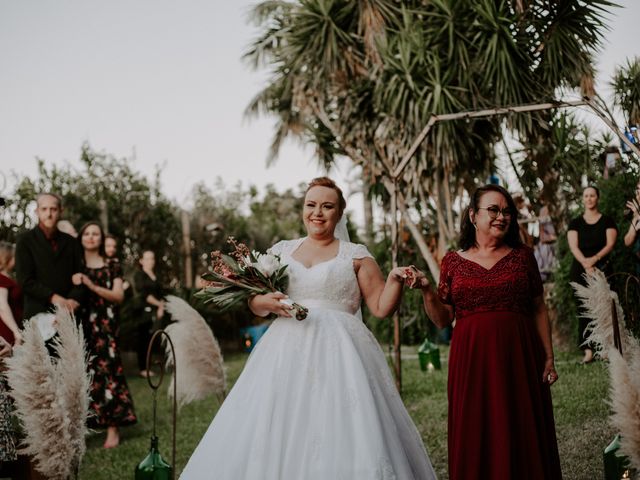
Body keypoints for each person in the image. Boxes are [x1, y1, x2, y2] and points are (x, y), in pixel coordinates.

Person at [180, 177, 436, 479]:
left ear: (339, 213)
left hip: (343, 355)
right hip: (285, 348)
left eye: (327, 206)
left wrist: (394, 279)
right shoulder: (281, 251)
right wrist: (269, 303)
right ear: (303, 209)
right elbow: (255, 304)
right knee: (279, 424)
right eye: (311, 205)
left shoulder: (356, 254)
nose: (318, 212)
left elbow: (380, 308)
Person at [415, 184, 561, 480]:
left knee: (522, 425)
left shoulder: (523, 257)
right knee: (477, 427)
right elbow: (444, 319)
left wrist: (548, 357)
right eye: (493, 209)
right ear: (473, 215)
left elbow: (538, 308)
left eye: (507, 211)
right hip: (472, 362)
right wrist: (428, 291)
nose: (501, 216)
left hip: (519, 357)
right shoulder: (452, 262)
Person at [75, 222, 137, 448]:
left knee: (110, 373)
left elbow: (119, 296)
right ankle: (84, 427)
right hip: (80, 324)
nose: (91, 237)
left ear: (101, 239)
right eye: (87, 233)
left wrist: (92, 286)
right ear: (80, 237)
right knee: (83, 375)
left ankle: (113, 428)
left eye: (96, 234)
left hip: (105, 326)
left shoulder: (112, 265)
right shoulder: (75, 264)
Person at [567, 186, 617, 364]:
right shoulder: (575, 223)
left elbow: (610, 244)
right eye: (586, 195)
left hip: (602, 266)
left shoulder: (607, 221)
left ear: (598, 198)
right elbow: (574, 246)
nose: (589, 199)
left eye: (592, 195)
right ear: (583, 199)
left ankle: (606, 349)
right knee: (584, 309)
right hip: (580, 269)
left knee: (604, 308)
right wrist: (586, 263)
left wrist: (594, 260)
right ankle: (587, 350)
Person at [15, 193, 85, 319]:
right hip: (37, 314)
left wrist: (72, 301)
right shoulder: (25, 241)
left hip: (69, 314)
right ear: (37, 211)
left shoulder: (72, 242)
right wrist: (54, 298)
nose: (49, 214)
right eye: (44, 209)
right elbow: (24, 280)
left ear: (61, 211)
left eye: (53, 209)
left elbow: (80, 276)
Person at [132, 250, 165, 378]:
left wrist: (160, 308)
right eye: (147, 258)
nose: (151, 261)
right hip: (143, 312)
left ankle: (150, 366)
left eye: (152, 258)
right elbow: (145, 295)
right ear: (141, 261)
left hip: (156, 310)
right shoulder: (139, 275)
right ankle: (143, 369)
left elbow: (160, 293)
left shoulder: (155, 275)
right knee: (143, 340)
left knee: (152, 338)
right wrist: (159, 305)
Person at [0, 242, 23, 346]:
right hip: (7, 330)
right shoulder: (1, 279)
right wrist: (16, 331)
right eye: (14, 256)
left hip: (11, 328)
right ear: (6, 257)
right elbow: (2, 306)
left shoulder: (8, 277)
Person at [623, 179, 640, 275]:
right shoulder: (637, 213)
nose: (638, 192)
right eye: (638, 188)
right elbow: (627, 241)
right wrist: (636, 217)